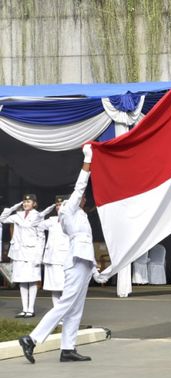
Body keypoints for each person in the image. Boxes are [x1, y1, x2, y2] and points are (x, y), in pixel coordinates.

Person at [18, 145, 97, 363]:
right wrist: (88, 160)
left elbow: (87, 243)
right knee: (66, 303)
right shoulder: (69, 211)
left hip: (84, 262)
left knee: (75, 307)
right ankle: (31, 338)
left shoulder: (80, 214)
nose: (81, 199)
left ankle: (68, 348)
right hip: (75, 261)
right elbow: (80, 187)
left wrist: (95, 270)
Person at [1, 193, 54, 318]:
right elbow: (2, 219)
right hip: (19, 253)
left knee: (31, 281)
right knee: (22, 281)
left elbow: (41, 237)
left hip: (32, 252)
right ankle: (24, 309)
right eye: (24, 202)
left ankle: (31, 309)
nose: (26, 204)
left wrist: (39, 255)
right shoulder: (18, 216)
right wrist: (14, 207)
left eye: (28, 202)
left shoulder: (38, 216)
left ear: (34, 204)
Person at [39, 195, 71, 306]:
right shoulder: (52, 220)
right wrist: (44, 212)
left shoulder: (71, 219)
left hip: (64, 259)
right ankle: (56, 314)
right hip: (51, 259)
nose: (58, 207)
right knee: (54, 288)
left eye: (61, 204)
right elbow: (35, 224)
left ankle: (65, 315)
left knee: (65, 288)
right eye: (57, 205)